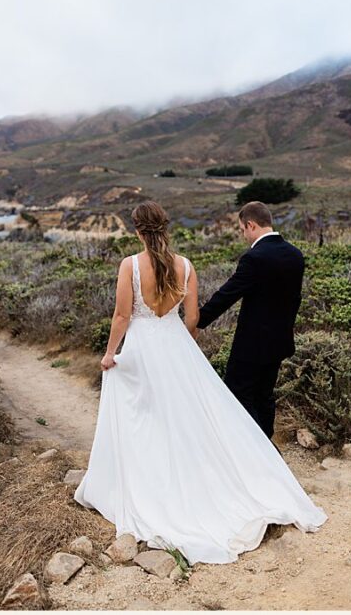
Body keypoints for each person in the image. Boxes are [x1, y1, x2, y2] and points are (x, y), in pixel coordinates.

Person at [74, 201, 325, 565]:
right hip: (177, 344)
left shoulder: (129, 265)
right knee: (192, 416)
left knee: (144, 415)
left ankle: (151, 481)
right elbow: (192, 318)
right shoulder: (186, 265)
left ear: (138, 230)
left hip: (143, 347)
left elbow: (122, 315)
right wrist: (180, 344)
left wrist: (110, 354)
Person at [195, 201, 306, 437]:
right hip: (280, 342)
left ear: (250, 225)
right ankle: (268, 451)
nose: (243, 235)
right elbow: (294, 300)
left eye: (242, 230)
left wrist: (197, 320)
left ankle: (260, 452)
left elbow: (227, 294)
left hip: (252, 345)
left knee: (238, 393)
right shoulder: (295, 255)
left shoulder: (255, 258)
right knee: (264, 396)